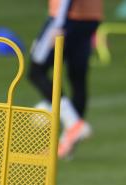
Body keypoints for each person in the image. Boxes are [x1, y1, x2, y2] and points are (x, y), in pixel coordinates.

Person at [28, 0, 103, 159]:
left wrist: (58, 24)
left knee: (36, 71)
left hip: (66, 17)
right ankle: (68, 144)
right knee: (77, 78)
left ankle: (73, 124)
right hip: (91, 18)